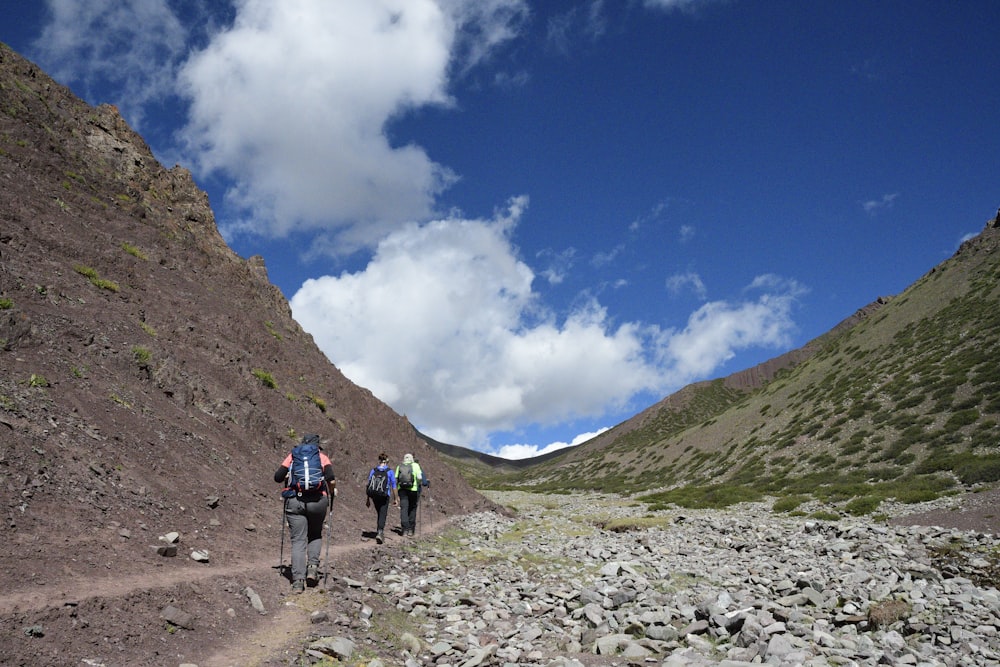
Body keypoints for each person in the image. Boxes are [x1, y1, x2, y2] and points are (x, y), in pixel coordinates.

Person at [274, 434, 335, 593]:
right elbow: (331, 478)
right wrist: (332, 493)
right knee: (315, 534)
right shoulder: (322, 457)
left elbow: (277, 477)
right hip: (318, 502)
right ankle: (313, 569)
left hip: (295, 502)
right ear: (317, 445)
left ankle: (298, 582)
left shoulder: (293, 456)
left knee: (298, 540)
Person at [365, 452, 397, 544]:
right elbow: (394, 485)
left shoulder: (373, 470)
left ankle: (379, 529)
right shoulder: (390, 471)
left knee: (379, 512)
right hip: (384, 495)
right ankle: (380, 532)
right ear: (387, 461)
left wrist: (368, 499)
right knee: (383, 513)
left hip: (374, 495)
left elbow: (369, 485)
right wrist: (396, 498)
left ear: (379, 460)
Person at [395, 453, 426, 536]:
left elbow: (396, 478)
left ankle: (404, 529)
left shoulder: (399, 466)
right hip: (413, 490)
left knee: (404, 509)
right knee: (412, 508)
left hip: (402, 490)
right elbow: (419, 477)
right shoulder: (416, 465)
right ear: (412, 459)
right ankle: (411, 530)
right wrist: (418, 484)